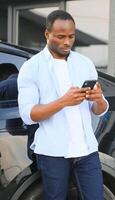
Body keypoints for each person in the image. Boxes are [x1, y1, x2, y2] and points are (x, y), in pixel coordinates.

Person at [17, 10, 108, 200]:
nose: (67, 42)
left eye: (71, 36)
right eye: (60, 37)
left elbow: (98, 111)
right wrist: (63, 102)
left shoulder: (85, 63)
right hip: (53, 152)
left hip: (87, 150)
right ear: (47, 34)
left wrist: (99, 99)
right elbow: (28, 115)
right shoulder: (31, 68)